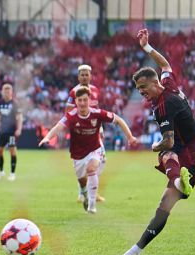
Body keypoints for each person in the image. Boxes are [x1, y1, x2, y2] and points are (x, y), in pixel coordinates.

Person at [118, 29, 195, 255]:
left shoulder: (162, 106)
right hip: (192, 153)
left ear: (154, 84)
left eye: (143, 88)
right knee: (164, 204)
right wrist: (147, 48)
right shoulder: (168, 83)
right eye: (138, 90)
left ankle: (177, 179)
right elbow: (166, 65)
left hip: (188, 156)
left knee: (164, 151)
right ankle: (135, 251)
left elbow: (168, 141)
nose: (141, 93)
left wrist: (153, 146)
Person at [38, 86, 136, 214]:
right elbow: (58, 127)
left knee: (91, 169)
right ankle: (84, 193)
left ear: (89, 100)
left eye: (85, 100)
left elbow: (118, 119)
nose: (83, 103)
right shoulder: (71, 116)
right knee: (82, 180)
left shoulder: (97, 113)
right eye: (80, 100)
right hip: (77, 154)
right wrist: (47, 137)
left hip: (95, 149)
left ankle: (92, 204)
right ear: (76, 102)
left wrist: (130, 136)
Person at [66, 64, 106, 203]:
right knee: (83, 162)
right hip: (81, 131)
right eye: (82, 74)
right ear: (78, 76)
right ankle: (82, 194)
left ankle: (92, 192)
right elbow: (68, 110)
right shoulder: (74, 92)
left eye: (86, 74)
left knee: (98, 162)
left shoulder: (95, 90)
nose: (84, 76)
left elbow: (97, 110)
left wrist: (101, 129)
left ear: (90, 75)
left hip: (95, 130)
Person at [0, 82, 22, 181]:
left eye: (8, 92)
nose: (7, 93)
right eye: (5, 92)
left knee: (12, 150)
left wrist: (19, 129)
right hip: (2, 131)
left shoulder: (15, 104)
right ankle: (1, 172)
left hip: (11, 131)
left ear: (11, 93)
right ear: (2, 92)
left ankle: (12, 174)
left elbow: (19, 117)